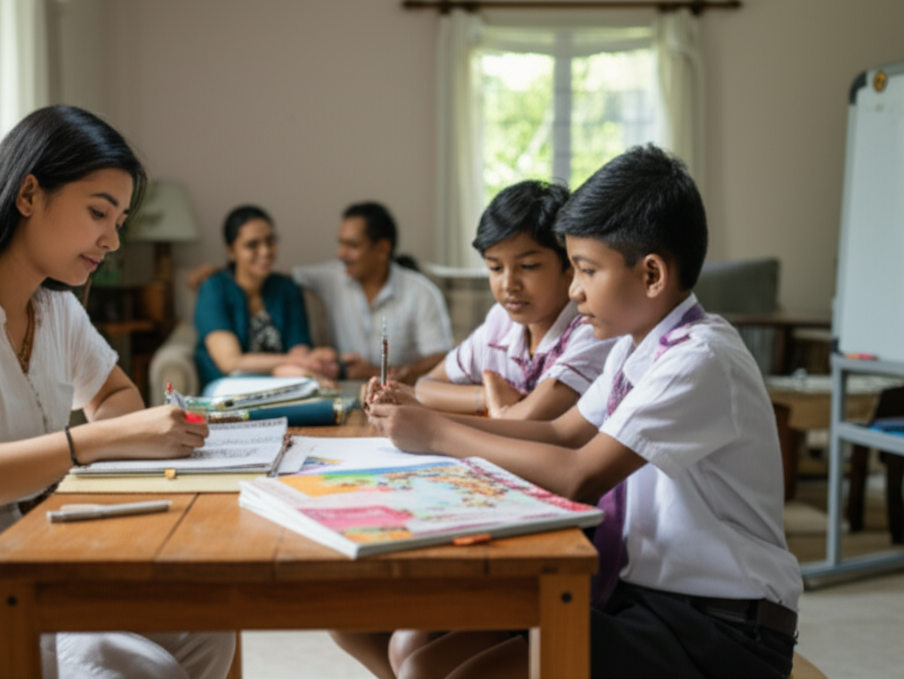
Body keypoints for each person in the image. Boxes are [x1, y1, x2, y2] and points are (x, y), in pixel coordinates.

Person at [366, 145, 803, 678]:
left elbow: (579, 476)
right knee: (424, 660)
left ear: (651, 276)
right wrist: (417, 418)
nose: (574, 290)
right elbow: (559, 433)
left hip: (722, 628)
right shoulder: (633, 346)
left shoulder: (701, 357)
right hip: (641, 597)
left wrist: (435, 432)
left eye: (585, 270)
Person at [0, 105, 235, 679]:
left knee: (203, 629)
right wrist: (90, 444)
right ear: (28, 195)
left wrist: (120, 433)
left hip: (18, 567)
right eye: (98, 212)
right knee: (127, 665)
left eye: (119, 220)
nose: (112, 239)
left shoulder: (54, 307)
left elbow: (115, 395)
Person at [362, 180, 616, 421]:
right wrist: (487, 396)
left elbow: (526, 422)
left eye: (527, 266)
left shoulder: (591, 328)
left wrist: (502, 407)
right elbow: (426, 387)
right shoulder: (501, 322)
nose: (509, 284)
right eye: (495, 268)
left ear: (570, 265)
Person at [292, 202, 453, 384]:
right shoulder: (331, 278)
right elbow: (280, 278)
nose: (341, 254)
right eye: (341, 243)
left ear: (382, 249)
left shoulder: (422, 293)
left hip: (401, 394)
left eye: (352, 245)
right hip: (343, 391)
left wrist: (380, 372)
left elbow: (441, 356)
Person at [193, 205, 338, 394]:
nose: (265, 251)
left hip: (284, 382)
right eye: (252, 245)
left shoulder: (286, 289)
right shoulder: (214, 289)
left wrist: (300, 362)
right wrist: (293, 361)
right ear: (231, 250)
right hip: (229, 387)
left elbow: (299, 348)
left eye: (270, 241)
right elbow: (231, 362)